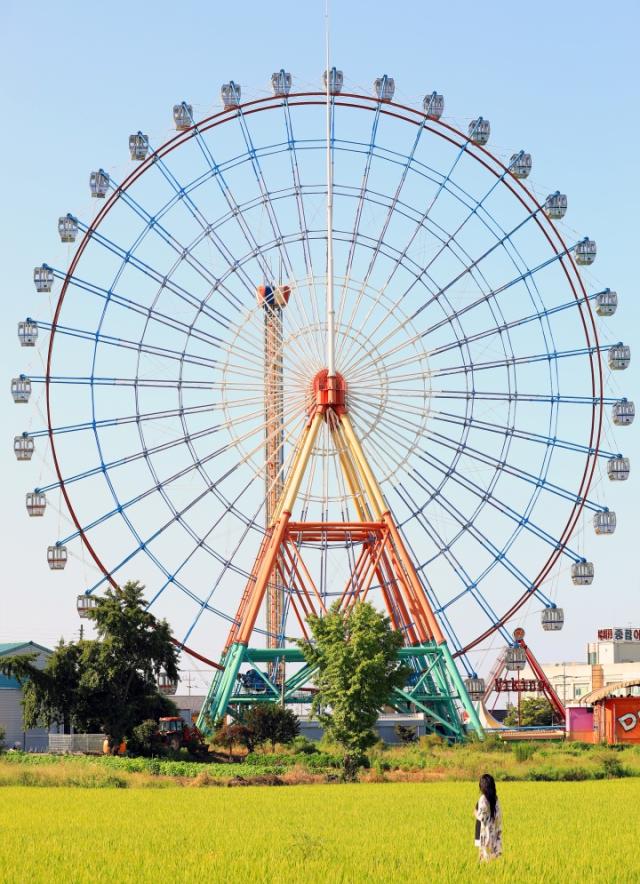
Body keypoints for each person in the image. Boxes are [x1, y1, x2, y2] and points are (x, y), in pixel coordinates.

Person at [474, 773, 502, 862]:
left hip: (484, 834)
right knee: (492, 859)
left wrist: (475, 813)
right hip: (494, 833)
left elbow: (481, 818)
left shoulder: (483, 799)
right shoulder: (496, 799)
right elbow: (498, 817)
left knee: (484, 859)